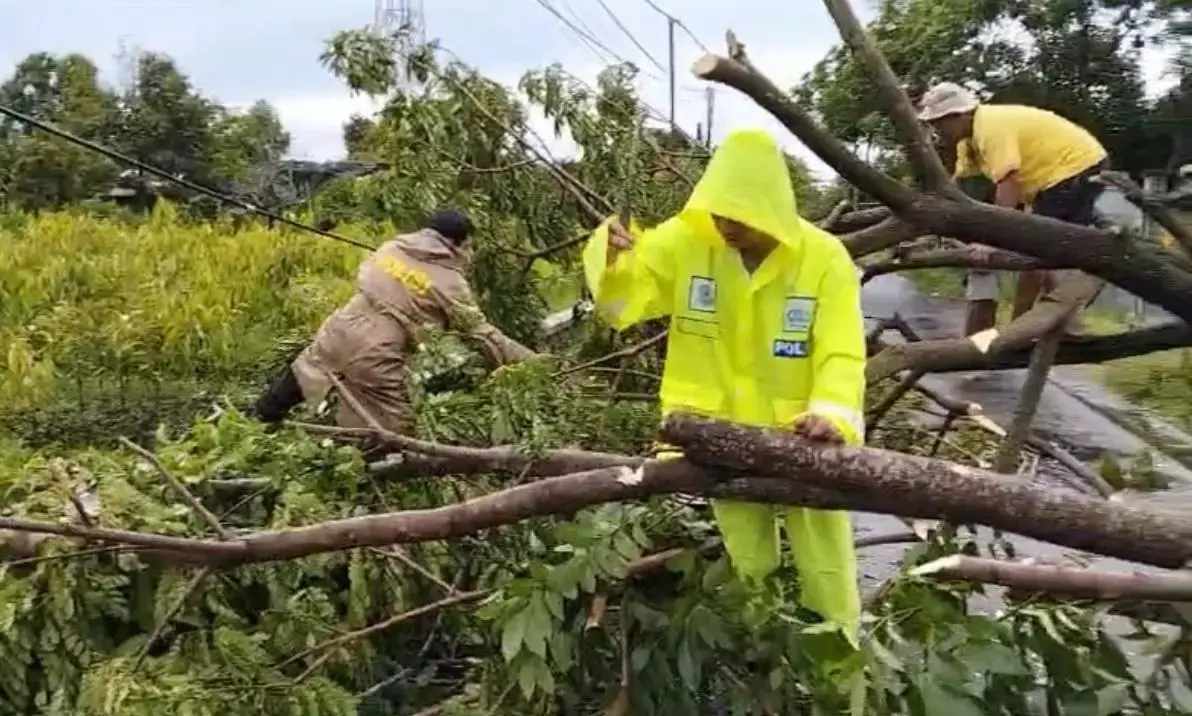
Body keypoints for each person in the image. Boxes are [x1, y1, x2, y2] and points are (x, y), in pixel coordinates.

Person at [582, 128, 865, 644]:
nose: (726, 226)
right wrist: (612, 254)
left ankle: (838, 660)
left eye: (740, 216)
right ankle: (765, 656)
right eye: (718, 213)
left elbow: (841, 349)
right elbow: (622, 307)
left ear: (771, 210)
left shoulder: (824, 259)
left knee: (824, 557)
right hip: (714, 433)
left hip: (803, 437)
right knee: (748, 558)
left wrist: (833, 414)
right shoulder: (689, 242)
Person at [253, 209, 536, 448]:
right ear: (456, 243)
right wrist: (533, 363)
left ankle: (252, 426)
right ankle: (371, 480)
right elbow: (482, 335)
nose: (470, 253)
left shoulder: (392, 246)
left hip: (340, 325)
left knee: (305, 370)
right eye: (469, 246)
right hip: (377, 349)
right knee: (395, 433)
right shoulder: (451, 283)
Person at [917, 82, 1109, 336]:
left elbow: (1008, 183)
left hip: (1075, 168)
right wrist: (934, 215)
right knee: (1042, 252)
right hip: (1049, 181)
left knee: (1032, 248)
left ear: (958, 116)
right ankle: (1064, 323)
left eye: (939, 123)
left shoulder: (991, 128)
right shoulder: (968, 141)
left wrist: (990, 242)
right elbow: (958, 186)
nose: (936, 130)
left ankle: (1022, 329)